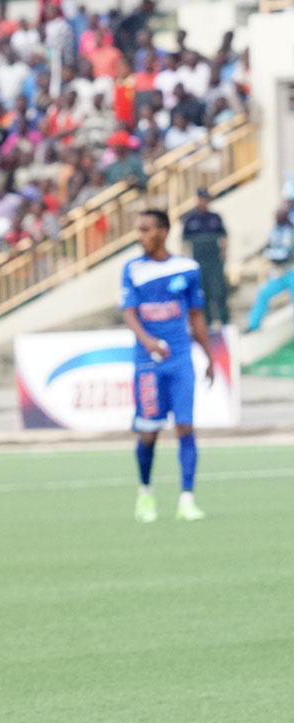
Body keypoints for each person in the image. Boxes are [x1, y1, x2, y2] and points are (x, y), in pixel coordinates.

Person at [121, 210, 213, 523]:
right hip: (148, 363)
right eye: (138, 229)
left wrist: (209, 356)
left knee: (185, 426)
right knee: (149, 433)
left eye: (145, 229)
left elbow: (196, 314)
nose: (140, 236)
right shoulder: (133, 269)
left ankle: (187, 500)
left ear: (162, 231)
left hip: (180, 358)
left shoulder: (187, 268)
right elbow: (129, 312)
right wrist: (148, 341)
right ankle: (145, 493)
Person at [179, 189, 229, 326]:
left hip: (214, 261)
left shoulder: (215, 217)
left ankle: (224, 320)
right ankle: (207, 322)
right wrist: (186, 262)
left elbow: (223, 238)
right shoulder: (190, 219)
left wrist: (224, 255)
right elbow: (185, 243)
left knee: (219, 291)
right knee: (202, 293)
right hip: (198, 262)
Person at [246, 205, 294, 333]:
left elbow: (287, 253)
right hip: (279, 273)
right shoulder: (275, 230)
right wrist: (259, 252)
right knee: (263, 293)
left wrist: (270, 254)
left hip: (292, 271)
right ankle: (253, 325)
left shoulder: (291, 231)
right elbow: (268, 245)